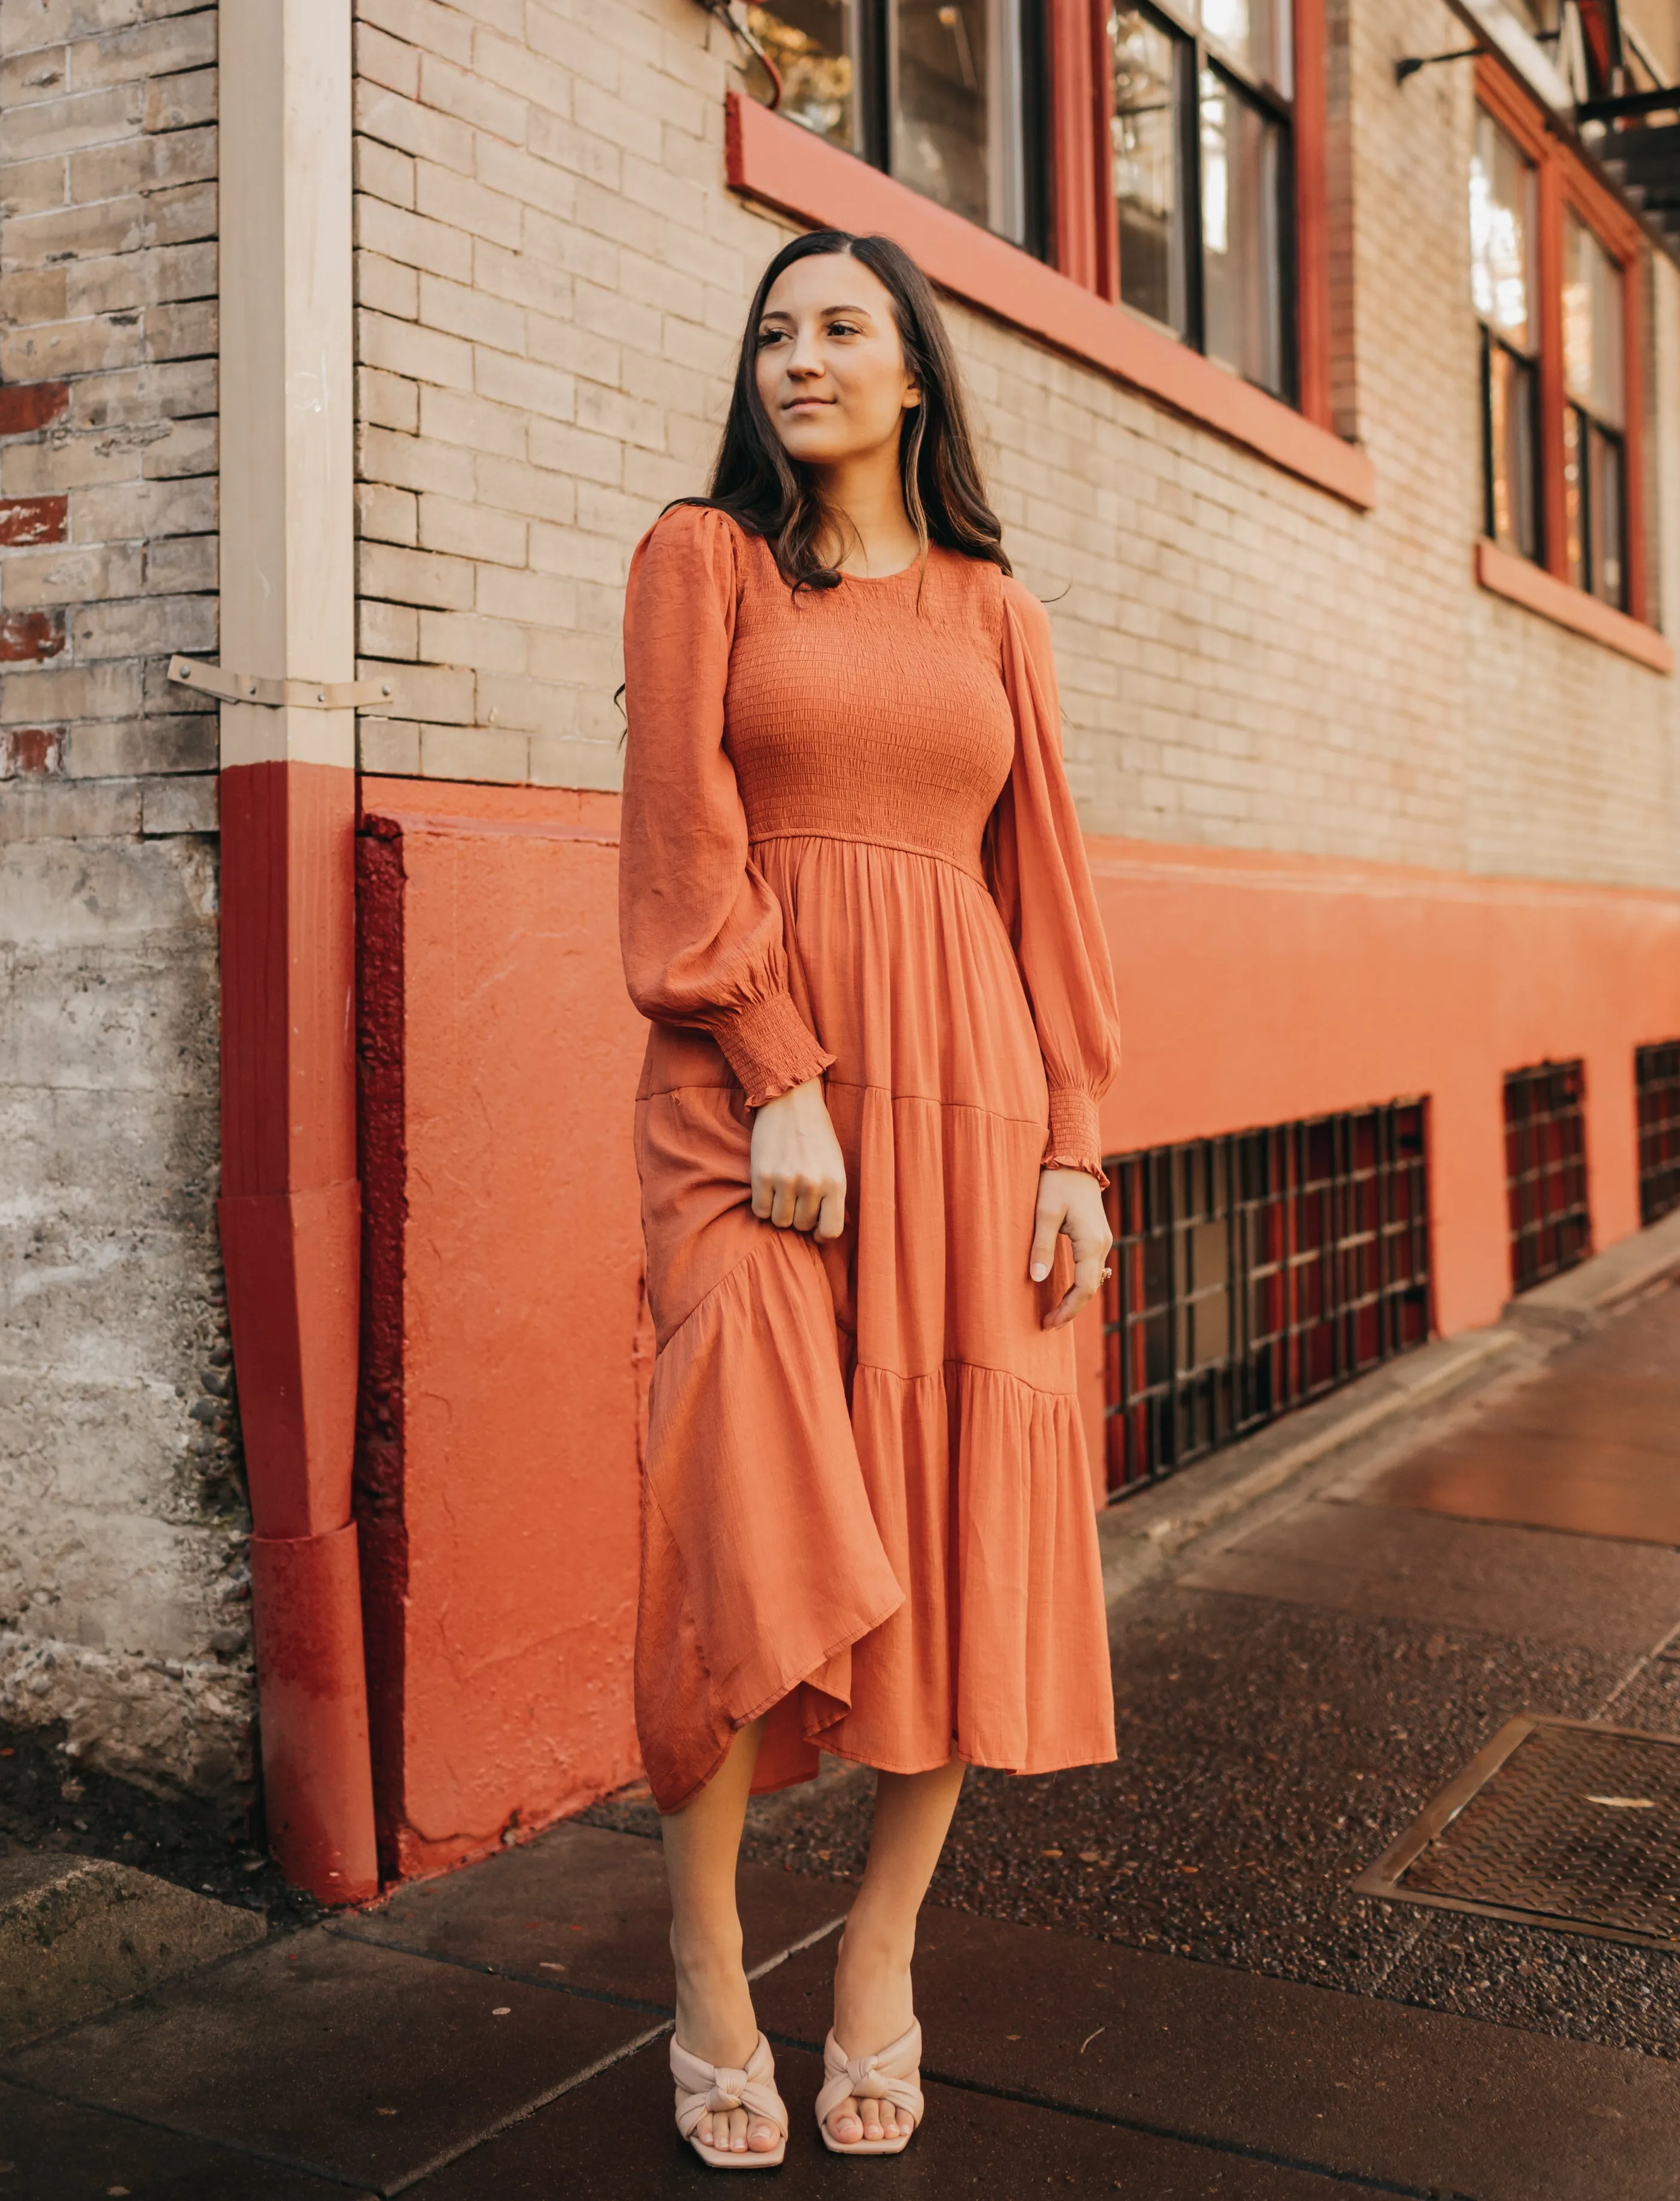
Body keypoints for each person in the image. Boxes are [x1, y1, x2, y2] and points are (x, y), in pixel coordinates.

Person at [618, 230, 1120, 2168]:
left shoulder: (1000, 614)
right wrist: (781, 1074)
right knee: (745, 1498)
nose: (797, 357)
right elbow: (679, 844)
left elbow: (1050, 893)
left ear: (917, 374)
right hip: (750, 1098)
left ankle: (881, 1957)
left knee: (955, 1515)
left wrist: (1075, 1132)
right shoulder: (706, 560)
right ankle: (707, 1960)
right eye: (771, 330)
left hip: (975, 1091)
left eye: (841, 329)